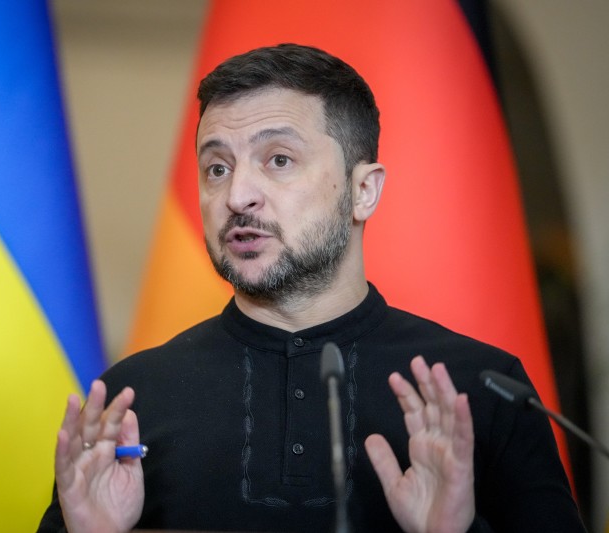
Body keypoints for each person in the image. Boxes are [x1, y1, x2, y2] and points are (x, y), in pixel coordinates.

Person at [37, 43, 584, 533]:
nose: (237, 196)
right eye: (217, 168)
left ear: (363, 191)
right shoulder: (130, 402)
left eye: (278, 160)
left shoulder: (481, 392)